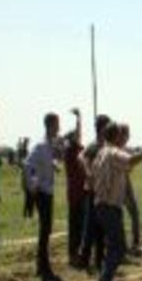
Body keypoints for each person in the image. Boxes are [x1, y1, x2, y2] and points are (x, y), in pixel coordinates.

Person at [93, 124, 142, 281]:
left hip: (103, 204)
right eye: (123, 135)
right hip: (109, 206)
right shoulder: (113, 152)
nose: (125, 138)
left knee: (113, 246)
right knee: (118, 247)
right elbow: (129, 161)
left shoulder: (102, 151)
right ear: (117, 136)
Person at [25, 113, 68, 281]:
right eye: (57, 124)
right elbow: (29, 165)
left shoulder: (51, 145)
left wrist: (55, 164)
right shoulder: (41, 146)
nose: (59, 127)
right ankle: (44, 269)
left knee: (46, 230)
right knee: (45, 230)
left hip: (47, 191)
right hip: (42, 193)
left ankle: (41, 266)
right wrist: (33, 186)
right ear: (50, 125)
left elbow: (56, 160)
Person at [78, 115, 111, 271]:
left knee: (101, 227)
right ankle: (84, 259)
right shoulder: (94, 145)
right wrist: (88, 172)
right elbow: (81, 157)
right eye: (107, 126)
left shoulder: (106, 145)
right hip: (92, 191)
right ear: (101, 128)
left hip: (102, 191)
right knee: (90, 226)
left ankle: (99, 260)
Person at [63, 109, 86, 267]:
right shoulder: (71, 152)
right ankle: (72, 255)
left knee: (81, 225)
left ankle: (77, 253)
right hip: (75, 194)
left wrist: (79, 119)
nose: (78, 138)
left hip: (81, 192)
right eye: (75, 137)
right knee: (75, 226)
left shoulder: (76, 149)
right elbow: (77, 137)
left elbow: (79, 134)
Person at [121, 125, 142, 256]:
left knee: (134, 213)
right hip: (120, 185)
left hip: (126, 182)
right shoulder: (118, 150)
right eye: (127, 134)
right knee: (124, 215)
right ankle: (127, 246)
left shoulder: (124, 149)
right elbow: (128, 164)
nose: (128, 137)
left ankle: (134, 244)